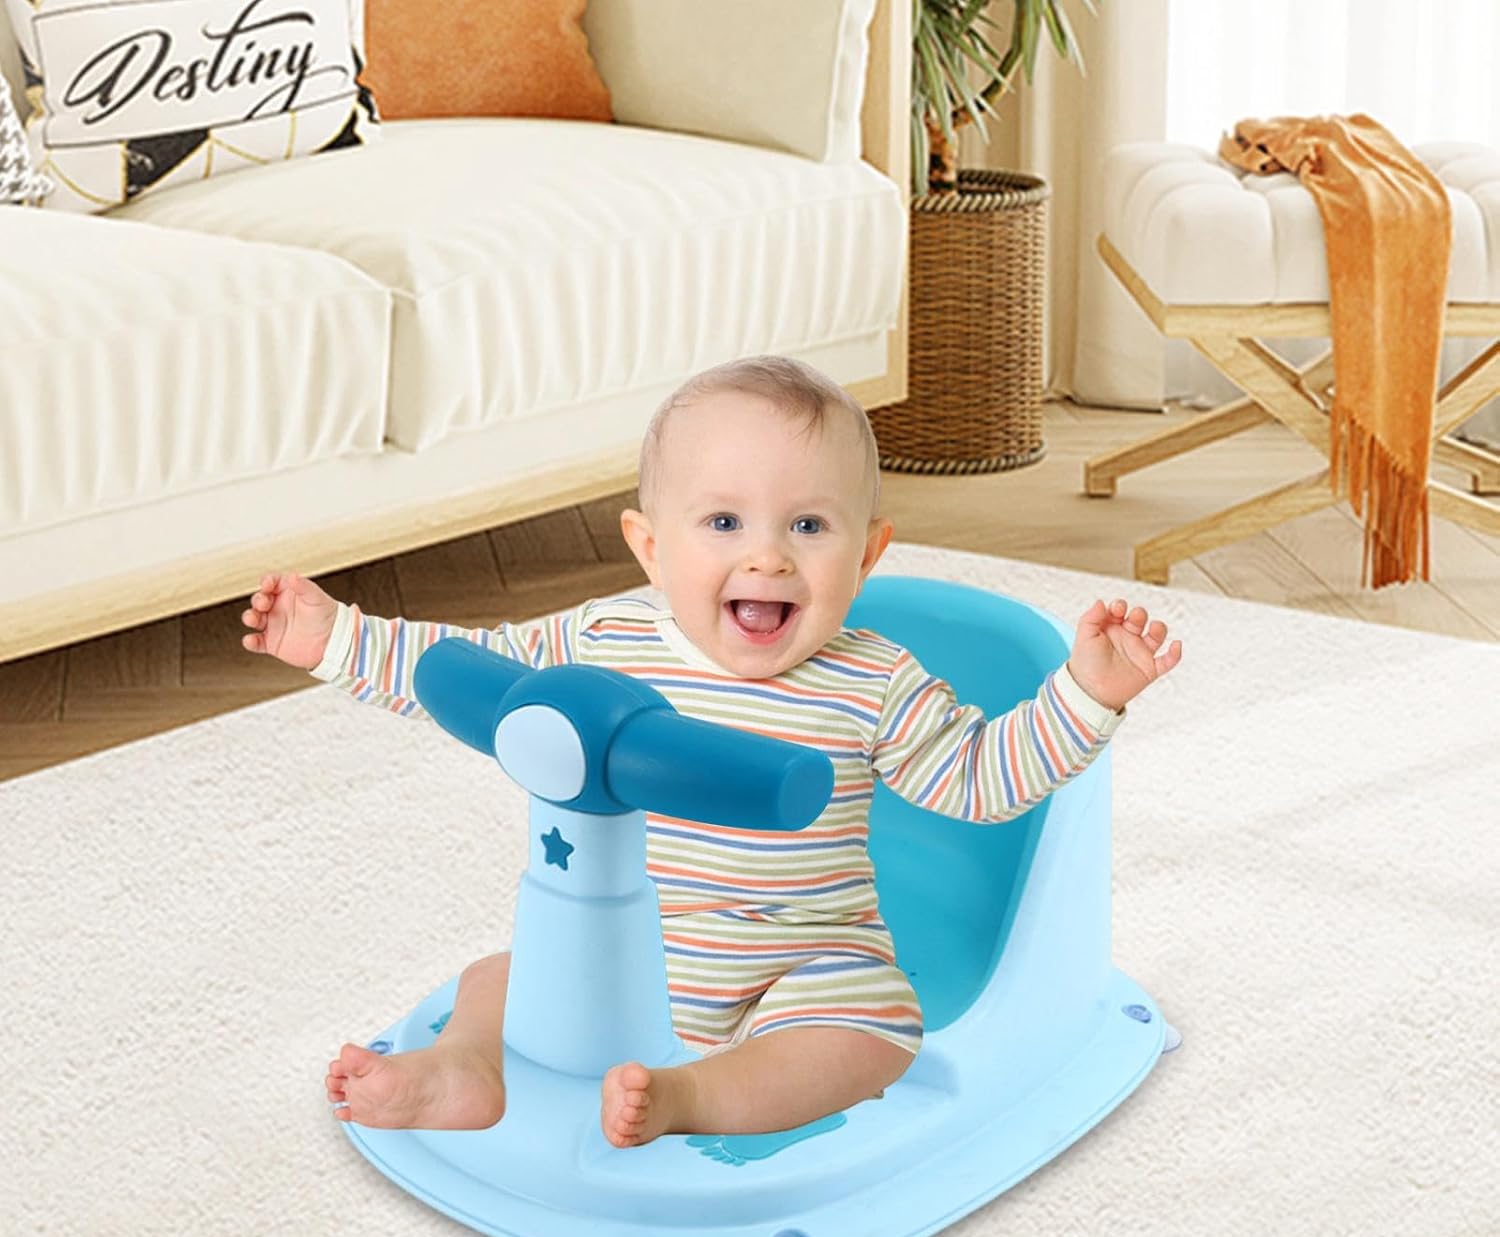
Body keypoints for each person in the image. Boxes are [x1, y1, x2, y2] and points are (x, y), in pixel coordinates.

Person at [240, 355, 1183, 1148]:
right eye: (724, 522)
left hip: (802, 963)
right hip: (631, 954)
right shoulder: (604, 642)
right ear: (651, 548)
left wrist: (1086, 692)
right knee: (500, 978)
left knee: (872, 1030)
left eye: (808, 526)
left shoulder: (874, 680)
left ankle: (694, 1097)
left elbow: (979, 781)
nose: (768, 556)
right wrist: (336, 638)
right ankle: (463, 1073)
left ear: (867, 555)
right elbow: (469, 678)